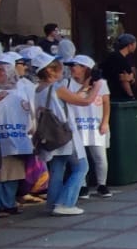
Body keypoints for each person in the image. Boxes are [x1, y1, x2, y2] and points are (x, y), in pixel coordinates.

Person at [33, 51, 100, 214]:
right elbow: (85, 102)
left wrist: (84, 88)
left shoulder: (39, 89)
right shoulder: (57, 87)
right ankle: (65, 203)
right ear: (50, 70)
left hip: (50, 135)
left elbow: (68, 100)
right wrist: (97, 86)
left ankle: (53, 203)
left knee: (57, 167)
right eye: (58, 67)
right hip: (64, 132)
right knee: (81, 167)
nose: (62, 70)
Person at [0, 53, 34, 218]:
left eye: (0, 70)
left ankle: (8, 203)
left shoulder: (24, 88)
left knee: (13, 173)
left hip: (17, 138)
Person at [67, 55, 111, 199]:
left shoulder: (100, 83)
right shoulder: (68, 83)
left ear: (85, 68)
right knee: (80, 157)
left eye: (75, 65)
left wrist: (105, 122)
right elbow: (70, 99)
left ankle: (102, 184)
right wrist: (84, 87)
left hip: (95, 124)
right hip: (77, 125)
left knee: (100, 156)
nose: (72, 68)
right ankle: (82, 185)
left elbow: (106, 103)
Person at [98, 33, 137, 100]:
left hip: (107, 91)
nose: (136, 46)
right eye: (135, 44)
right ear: (130, 45)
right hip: (117, 94)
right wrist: (131, 96)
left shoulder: (113, 56)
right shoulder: (120, 59)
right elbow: (124, 79)